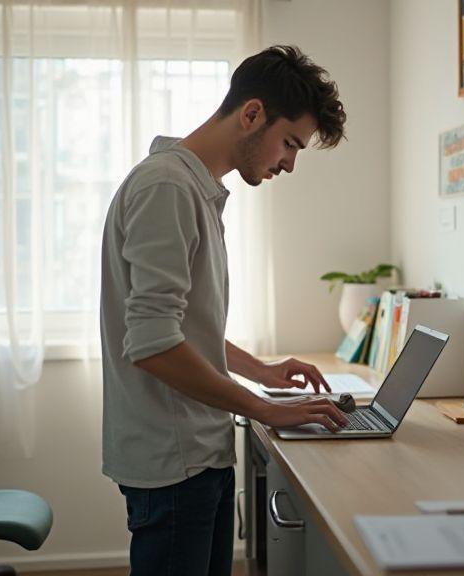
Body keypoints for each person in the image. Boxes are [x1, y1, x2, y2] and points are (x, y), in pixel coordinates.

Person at [99, 45, 349, 576]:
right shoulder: (167, 187)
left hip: (195, 451)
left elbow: (183, 327)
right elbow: (152, 345)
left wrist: (263, 373)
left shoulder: (194, 189)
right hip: (174, 461)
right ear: (252, 113)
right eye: (290, 143)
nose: (289, 162)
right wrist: (265, 409)